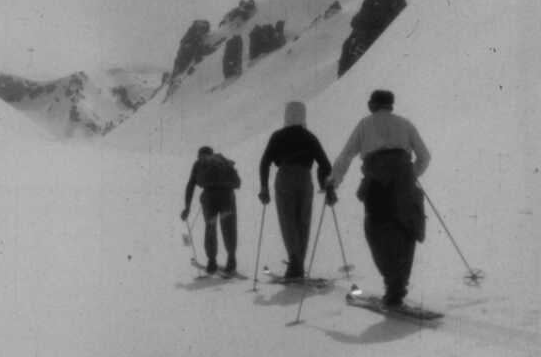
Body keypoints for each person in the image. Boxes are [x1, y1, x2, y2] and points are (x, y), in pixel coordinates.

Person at [326, 90, 431, 307]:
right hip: (404, 184)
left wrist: (333, 182)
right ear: (390, 105)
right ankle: (398, 287)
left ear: (372, 104)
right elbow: (424, 156)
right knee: (405, 231)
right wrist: (410, 175)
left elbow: (346, 155)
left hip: (377, 186)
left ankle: (392, 285)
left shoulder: (365, 125)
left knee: (376, 232)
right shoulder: (405, 124)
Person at [259, 101, 334, 279]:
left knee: (288, 219)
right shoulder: (309, 136)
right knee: (303, 220)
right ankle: (298, 262)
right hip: (304, 178)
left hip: (284, 176)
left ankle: (294, 262)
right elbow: (324, 163)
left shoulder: (277, 136)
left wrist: (264, 187)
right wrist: (327, 187)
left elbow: (265, 162)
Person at [181, 146, 241, 274]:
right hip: (227, 197)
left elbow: (191, 185)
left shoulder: (198, 164)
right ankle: (231, 259)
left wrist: (187, 207)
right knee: (228, 228)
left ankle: (212, 261)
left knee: (211, 228)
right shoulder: (223, 161)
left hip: (210, 199)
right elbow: (237, 183)